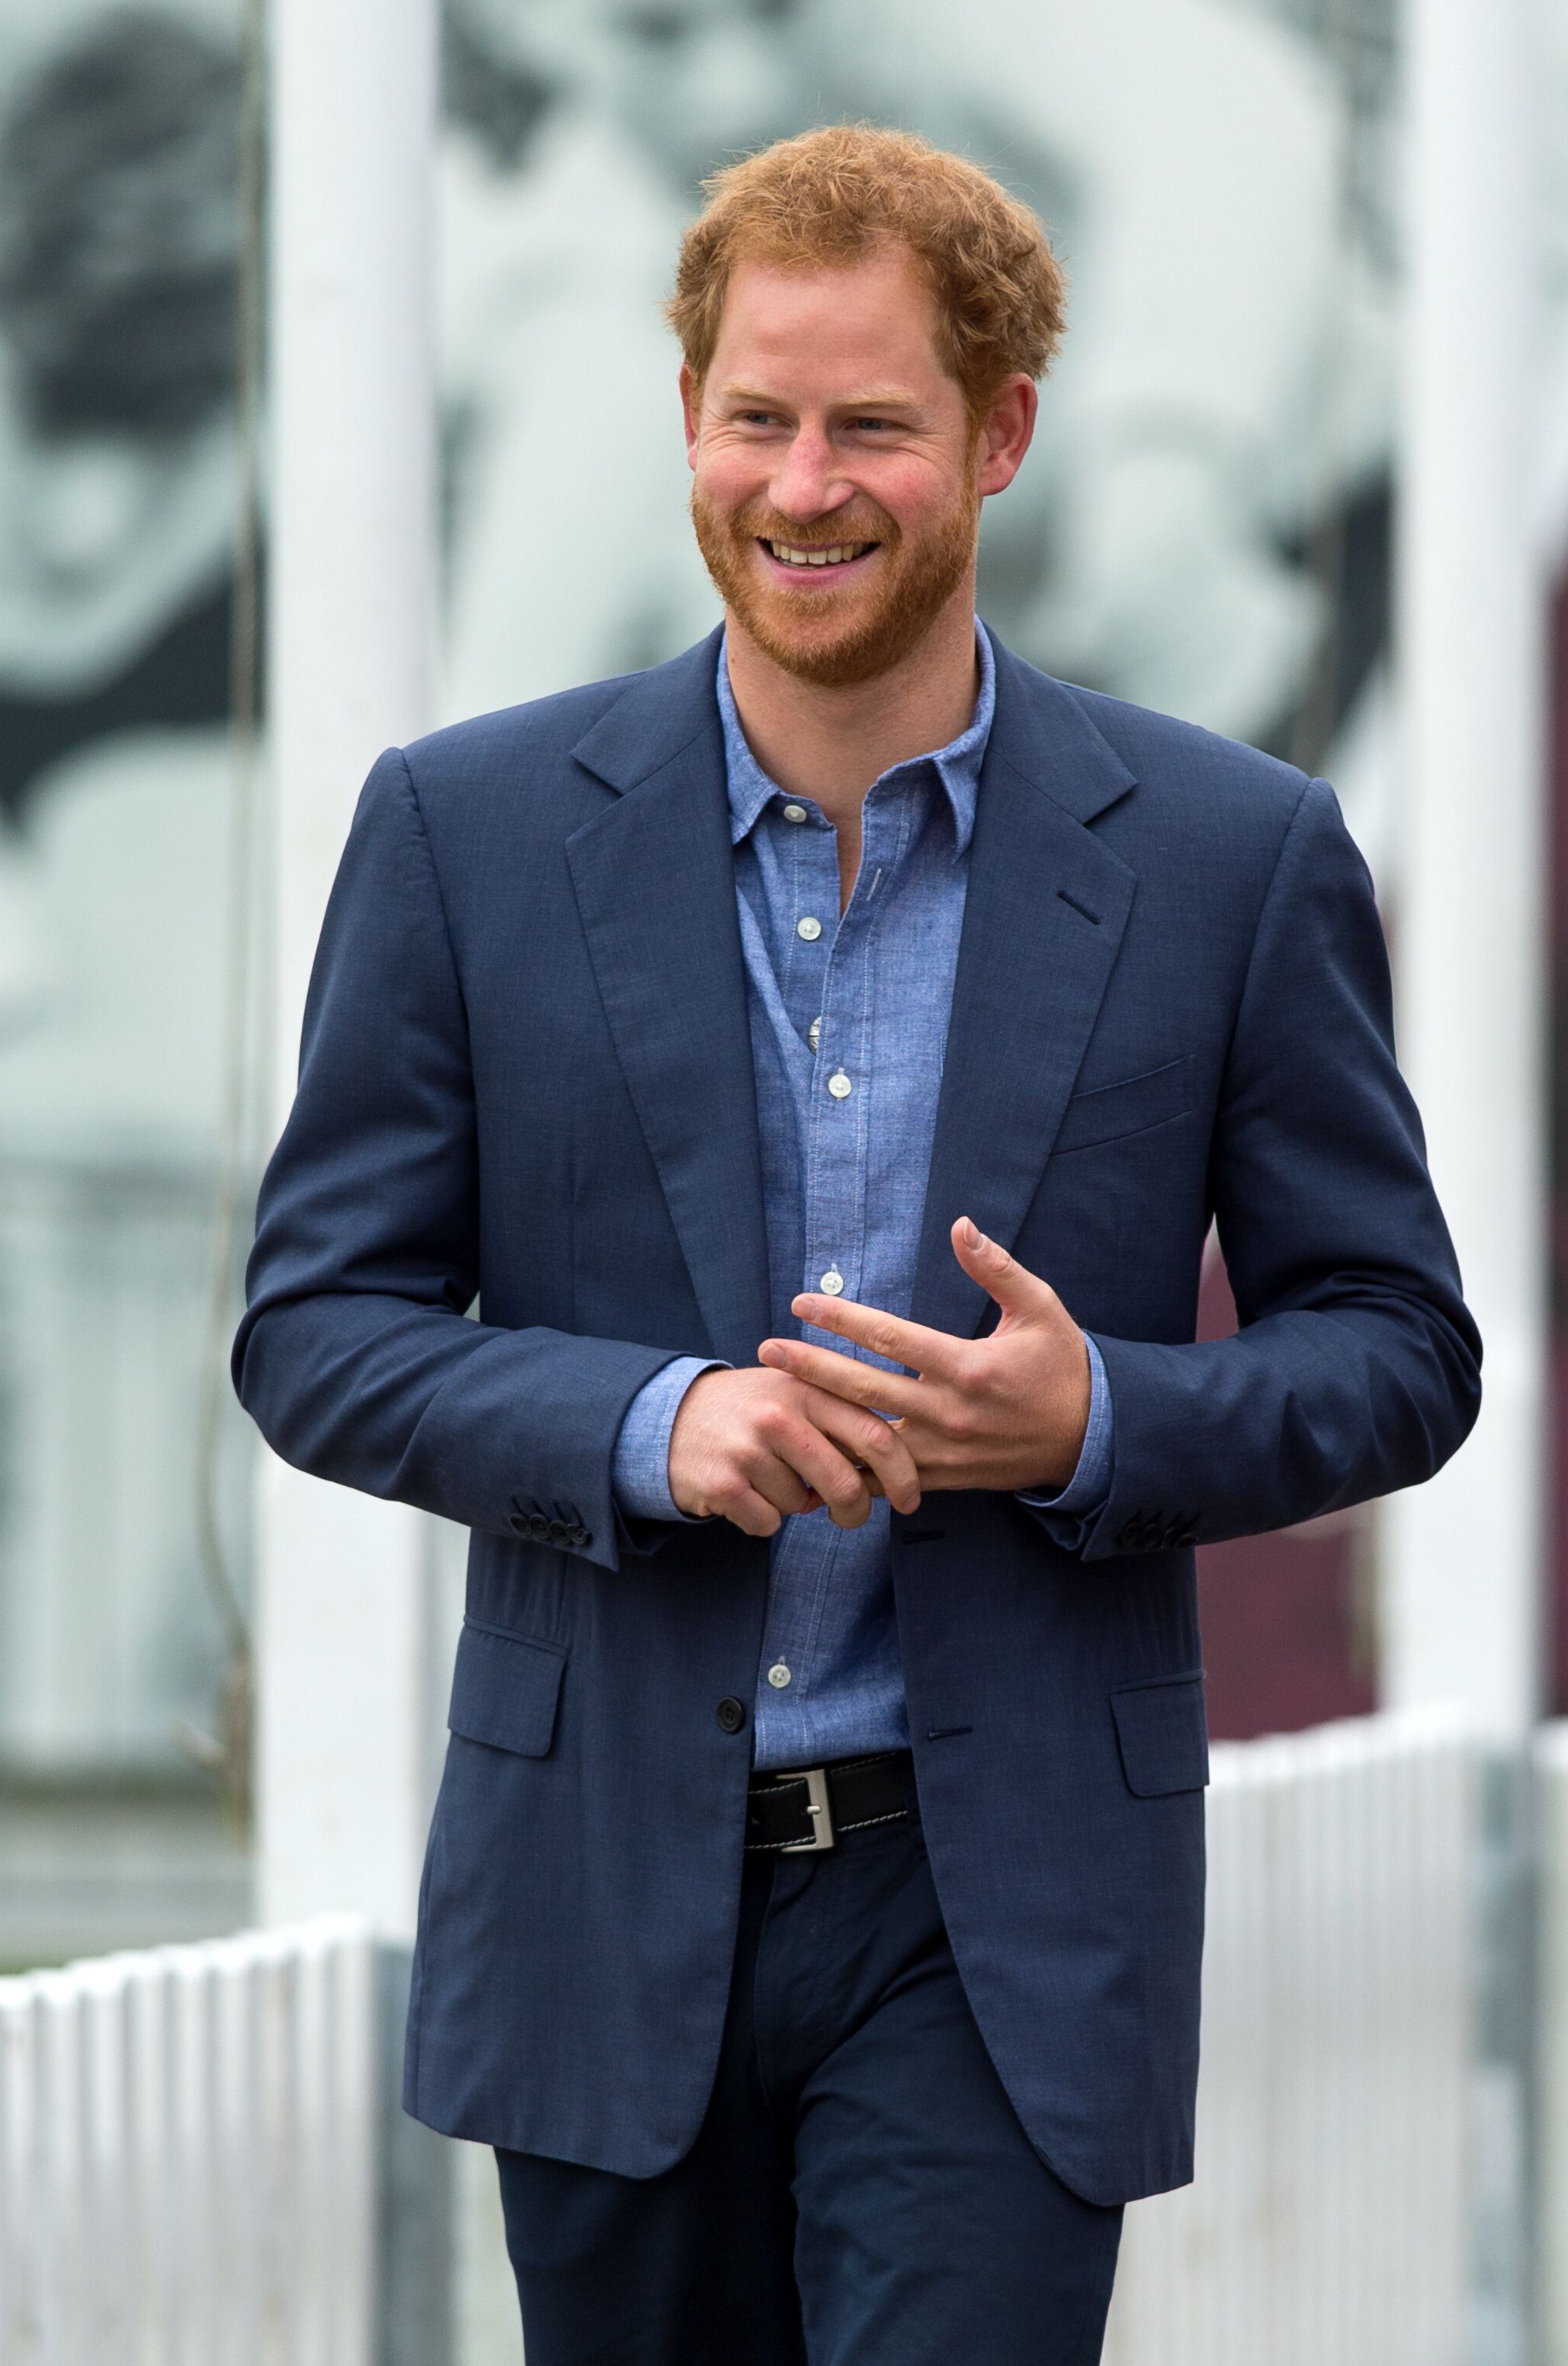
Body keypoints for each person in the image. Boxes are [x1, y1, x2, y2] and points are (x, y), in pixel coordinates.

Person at [234, 125, 1480, 2366]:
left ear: (998, 434)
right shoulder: (464, 832)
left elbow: (1397, 1345)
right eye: (754, 417)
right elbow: (315, 1324)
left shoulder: (1230, 852)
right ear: (690, 419)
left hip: (991, 1912)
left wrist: (1091, 1415)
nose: (802, 485)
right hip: (608, 1883)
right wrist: (649, 1422)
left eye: (872, 426)